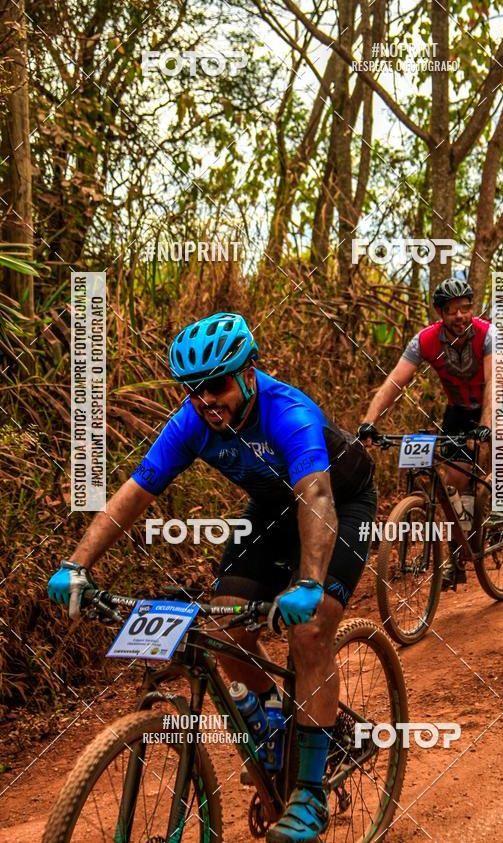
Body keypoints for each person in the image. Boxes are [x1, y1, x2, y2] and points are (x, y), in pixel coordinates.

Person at [48, 312, 376, 843]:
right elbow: (133, 495)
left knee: (310, 629)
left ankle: (310, 795)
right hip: (270, 508)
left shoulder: (288, 412)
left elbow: (316, 500)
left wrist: (309, 583)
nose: (207, 399)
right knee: (222, 628)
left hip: (339, 502)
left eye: (218, 385)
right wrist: (76, 565)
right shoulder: (192, 422)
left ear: (249, 373)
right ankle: (276, 724)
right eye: (194, 390)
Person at [358, 278, 493, 588]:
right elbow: (393, 383)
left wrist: (486, 424)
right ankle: (459, 555)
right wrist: (369, 422)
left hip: (494, 400)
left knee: (502, 443)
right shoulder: (424, 341)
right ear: (440, 313)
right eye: (452, 310)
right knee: (453, 483)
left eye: (465, 308)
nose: (460, 316)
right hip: (459, 409)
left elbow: (494, 383)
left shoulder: (487, 335)